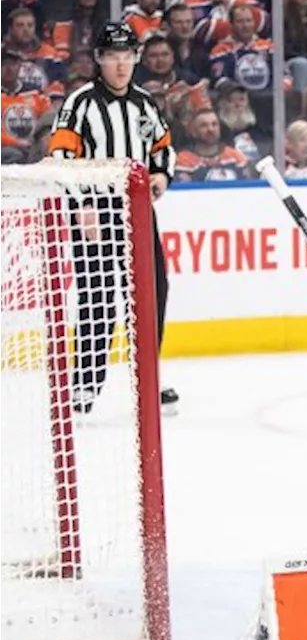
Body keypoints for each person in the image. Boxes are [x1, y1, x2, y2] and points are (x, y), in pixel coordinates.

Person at [47, 22, 179, 413]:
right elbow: (61, 157)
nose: (121, 65)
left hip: (137, 212)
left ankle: (148, 379)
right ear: (99, 60)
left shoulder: (144, 103)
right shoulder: (80, 102)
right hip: (95, 212)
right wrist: (82, 205)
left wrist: (161, 174)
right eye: (113, 57)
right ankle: (85, 384)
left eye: (127, 56)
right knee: (98, 298)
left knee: (153, 291)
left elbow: (164, 148)